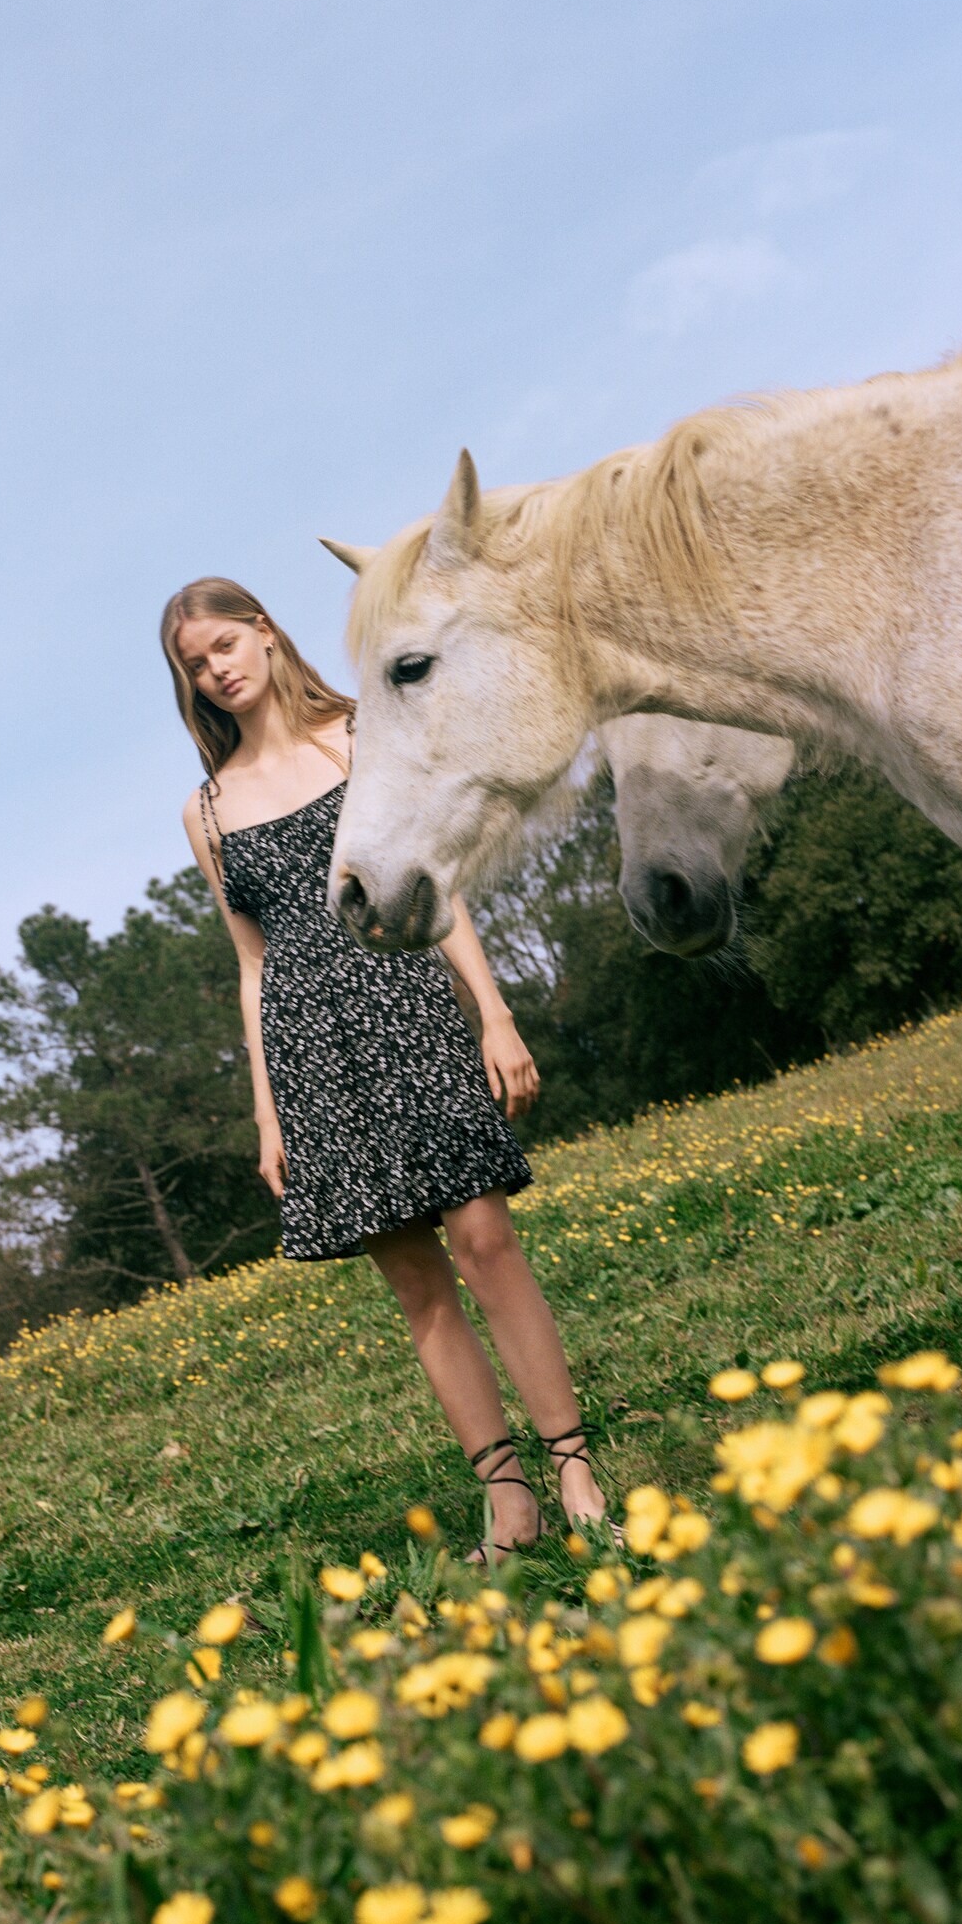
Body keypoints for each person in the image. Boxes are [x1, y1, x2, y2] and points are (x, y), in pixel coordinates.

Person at [163, 575, 616, 1560]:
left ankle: (574, 1465)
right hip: (312, 1048)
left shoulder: (365, 738)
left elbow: (436, 883)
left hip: (406, 1000)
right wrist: (269, 1112)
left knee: (485, 1235)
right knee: (416, 1282)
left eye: (224, 646)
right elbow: (253, 965)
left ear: (266, 633)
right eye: (196, 666)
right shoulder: (206, 810)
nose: (216, 671)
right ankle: (508, 1501)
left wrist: (493, 1013)